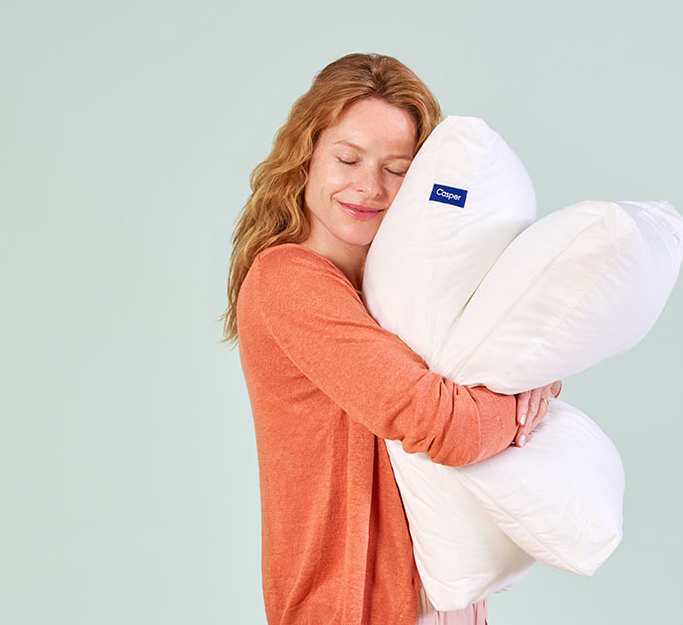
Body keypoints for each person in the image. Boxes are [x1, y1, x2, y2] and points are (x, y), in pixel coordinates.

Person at [220, 53, 562, 625]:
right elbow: (443, 422)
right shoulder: (289, 281)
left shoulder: (408, 286)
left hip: (442, 601)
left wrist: (537, 379)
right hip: (351, 608)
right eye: (348, 158)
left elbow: (503, 356)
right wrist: (515, 404)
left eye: (397, 168)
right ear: (306, 157)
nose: (369, 187)